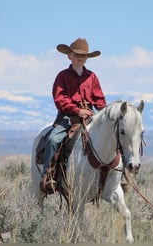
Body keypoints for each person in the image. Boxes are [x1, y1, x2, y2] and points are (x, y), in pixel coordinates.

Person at [41, 38, 107, 192]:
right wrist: (77, 110)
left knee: (111, 136)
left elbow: (99, 98)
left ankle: (117, 176)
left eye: (83, 55)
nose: (80, 58)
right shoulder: (62, 76)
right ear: (69, 56)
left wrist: (104, 112)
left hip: (90, 116)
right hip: (68, 117)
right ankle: (48, 175)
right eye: (76, 54)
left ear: (87, 58)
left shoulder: (92, 77)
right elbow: (60, 98)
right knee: (53, 139)